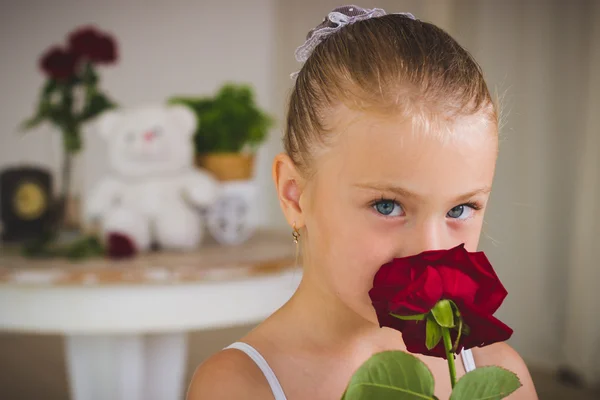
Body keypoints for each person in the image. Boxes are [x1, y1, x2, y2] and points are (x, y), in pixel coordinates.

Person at [187, 5, 538, 399]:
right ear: (294, 195)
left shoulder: (498, 375)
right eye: (388, 206)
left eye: (460, 209)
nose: (431, 252)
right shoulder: (240, 387)